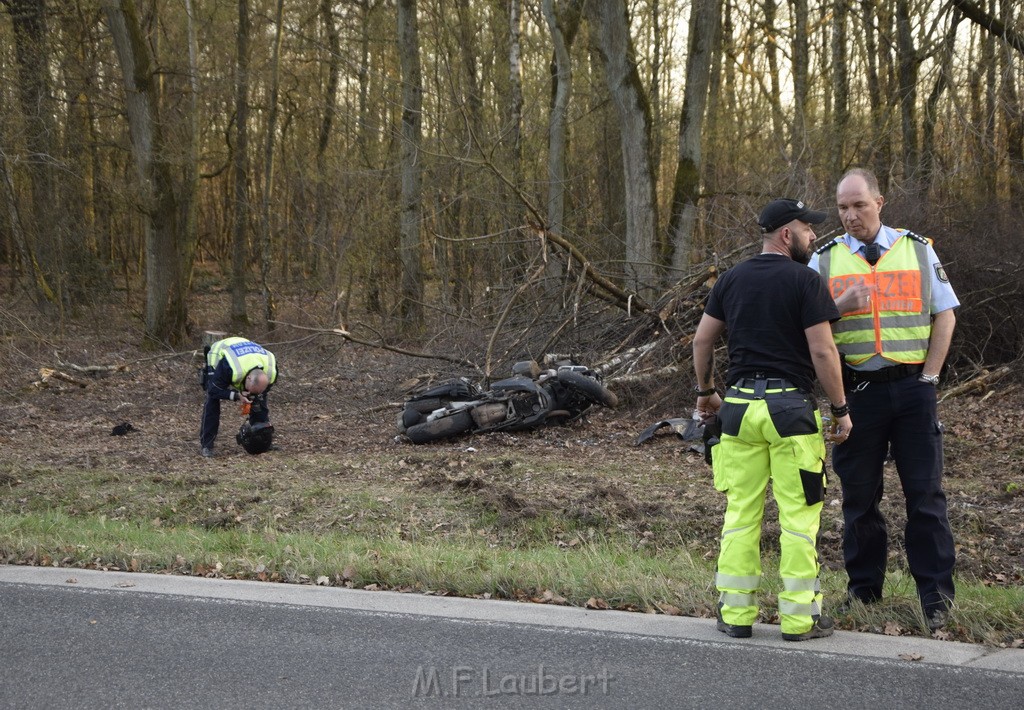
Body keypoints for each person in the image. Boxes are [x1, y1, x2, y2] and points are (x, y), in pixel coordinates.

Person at [693, 198, 852, 642]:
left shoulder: (731, 279)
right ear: (787, 234)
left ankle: (737, 616)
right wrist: (840, 409)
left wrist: (707, 393)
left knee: (741, 512)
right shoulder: (806, 281)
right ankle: (801, 620)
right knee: (798, 517)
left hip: (739, 411)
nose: (813, 235)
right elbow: (822, 351)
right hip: (790, 412)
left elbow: (702, 340)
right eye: (807, 228)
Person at [807, 168, 958, 631]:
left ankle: (935, 600)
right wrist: (841, 307)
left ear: (880, 202)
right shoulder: (825, 261)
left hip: (914, 391)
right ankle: (864, 592)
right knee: (859, 496)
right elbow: (811, 330)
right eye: (842, 208)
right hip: (857, 394)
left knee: (926, 495)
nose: (850, 216)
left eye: (859, 205)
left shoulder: (916, 249)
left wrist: (929, 379)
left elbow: (945, 314)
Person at [200, 336, 277, 457]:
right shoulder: (228, 366)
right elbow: (214, 390)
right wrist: (236, 395)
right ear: (248, 378)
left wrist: (254, 397)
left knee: (259, 399)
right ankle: (207, 445)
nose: (248, 392)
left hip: (247, 353)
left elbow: (262, 393)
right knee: (212, 400)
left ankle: (261, 437)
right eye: (249, 389)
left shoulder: (271, 370)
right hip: (219, 354)